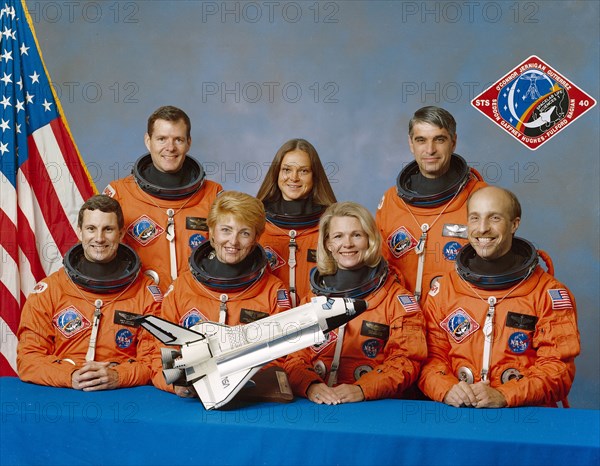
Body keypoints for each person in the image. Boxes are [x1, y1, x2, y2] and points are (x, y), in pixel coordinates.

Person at [418, 186, 580, 407]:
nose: (482, 228)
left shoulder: (547, 293)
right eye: (475, 218)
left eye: (494, 218)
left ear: (514, 224)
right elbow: (429, 358)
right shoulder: (444, 290)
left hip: (525, 418)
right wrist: (447, 388)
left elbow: (558, 369)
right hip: (459, 415)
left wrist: (505, 394)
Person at [284, 202, 427, 404]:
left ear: (370, 239)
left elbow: (407, 361)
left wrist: (363, 389)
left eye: (357, 235)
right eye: (338, 236)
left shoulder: (397, 300)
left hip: (371, 407)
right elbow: (294, 357)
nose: (348, 244)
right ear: (328, 244)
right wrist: (310, 385)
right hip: (318, 405)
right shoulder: (312, 299)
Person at [152, 191, 292, 397]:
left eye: (244, 233)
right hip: (190, 398)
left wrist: (240, 381)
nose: (233, 242)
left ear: (256, 238)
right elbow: (159, 352)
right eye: (226, 230)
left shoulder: (273, 291)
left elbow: (283, 356)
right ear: (211, 232)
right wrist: (176, 385)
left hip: (250, 397)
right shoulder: (182, 287)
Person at [17, 195, 162, 390]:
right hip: (64, 397)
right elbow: (28, 359)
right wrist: (71, 375)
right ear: (80, 232)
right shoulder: (49, 291)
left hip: (123, 397)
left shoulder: (145, 293)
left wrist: (118, 376)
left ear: (120, 234)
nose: (99, 238)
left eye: (108, 229)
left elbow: (153, 362)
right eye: (91, 229)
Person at [103, 105, 223, 289]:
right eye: (161, 139)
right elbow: (99, 251)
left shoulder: (212, 195)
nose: (170, 148)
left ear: (189, 142)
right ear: (148, 141)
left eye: (178, 140)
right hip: (141, 302)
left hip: (197, 303)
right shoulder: (119, 194)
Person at [376, 106, 487, 302]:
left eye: (439, 139)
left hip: (454, 318)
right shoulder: (391, 201)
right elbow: (377, 265)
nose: (430, 150)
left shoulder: (481, 199)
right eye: (421, 140)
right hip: (401, 319)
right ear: (411, 144)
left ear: (453, 142)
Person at [256, 138, 337, 308]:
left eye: (303, 171)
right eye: (286, 170)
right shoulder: (255, 223)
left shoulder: (333, 225)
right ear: (276, 173)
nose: (293, 178)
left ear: (315, 176)